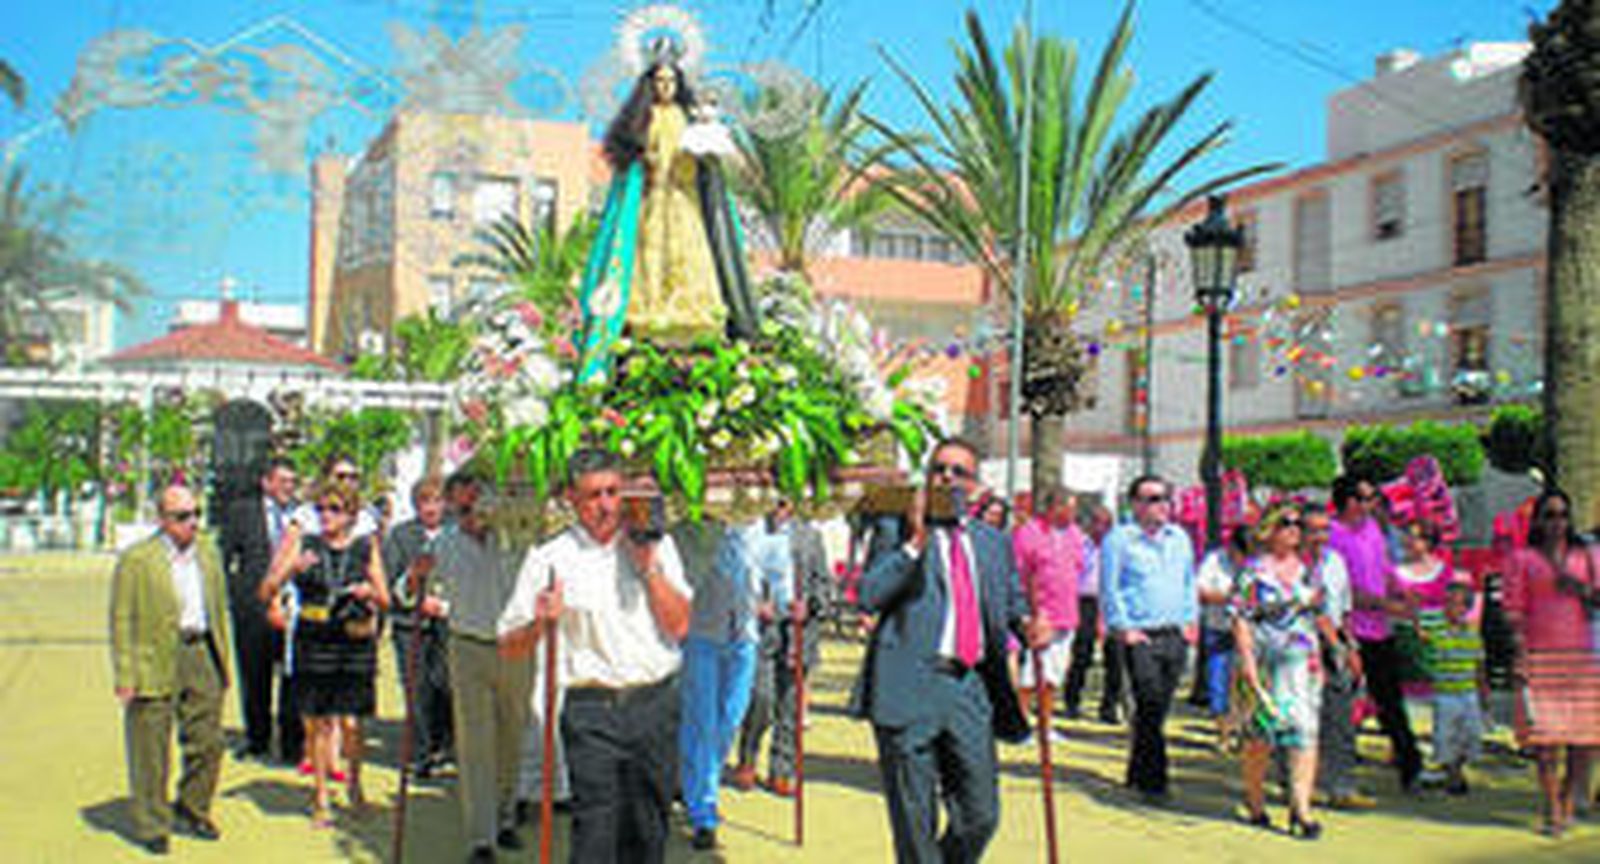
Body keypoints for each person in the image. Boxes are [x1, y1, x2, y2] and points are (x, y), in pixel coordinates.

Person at [849, 436, 1048, 863]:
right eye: (938, 469)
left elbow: (1011, 602)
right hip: (907, 686)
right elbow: (868, 594)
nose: (947, 478)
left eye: (959, 472)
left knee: (980, 815)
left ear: (974, 486)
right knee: (914, 820)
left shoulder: (993, 542)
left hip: (969, 687)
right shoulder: (897, 528)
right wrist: (914, 544)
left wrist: (1029, 624)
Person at [498, 448, 692, 864]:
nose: (606, 505)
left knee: (648, 830)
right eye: (593, 495)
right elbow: (509, 645)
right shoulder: (550, 557)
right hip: (591, 710)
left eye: (612, 492)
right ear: (571, 498)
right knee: (595, 834)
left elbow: (680, 625)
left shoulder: (656, 543)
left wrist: (649, 568)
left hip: (655, 704)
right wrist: (540, 622)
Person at [577, 47, 758, 380]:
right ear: (650, 84)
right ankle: (649, 318)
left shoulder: (688, 119)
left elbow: (711, 164)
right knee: (651, 259)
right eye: (659, 81)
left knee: (689, 255)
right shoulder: (642, 120)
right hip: (653, 201)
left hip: (685, 201)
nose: (665, 87)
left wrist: (708, 148)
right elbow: (630, 166)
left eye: (671, 81)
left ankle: (691, 319)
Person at [110, 485, 231, 854]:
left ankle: (193, 808)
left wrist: (222, 661)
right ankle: (153, 823)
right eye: (182, 516)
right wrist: (125, 675)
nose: (192, 522)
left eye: (196, 514)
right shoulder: (137, 560)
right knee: (150, 747)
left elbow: (218, 607)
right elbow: (121, 618)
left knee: (208, 742)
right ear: (162, 519)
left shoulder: (208, 553)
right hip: (154, 656)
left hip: (201, 652)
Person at [259, 482, 388, 828]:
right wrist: (291, 570)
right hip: (314, 638)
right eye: (321, 509)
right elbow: (266, 589)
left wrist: (368, 592)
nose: (326, 516)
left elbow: (386, 598)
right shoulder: (305, 543)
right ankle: (319, 795)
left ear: (352, 515)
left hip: (352, 640)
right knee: (318, 722)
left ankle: (355, 786)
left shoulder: (365, 547)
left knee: (353, 722)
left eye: (335, 509)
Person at [429, 472, 531, 862]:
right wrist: (417, 582)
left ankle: (505, 818)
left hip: (515, 647)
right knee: (475, 745)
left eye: (478, 503)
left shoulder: (514, 539)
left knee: (512, 738)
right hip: (467, 646)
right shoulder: (444, 543)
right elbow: (409, 589)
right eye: (463, 507)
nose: (472, 514)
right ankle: (481, 837)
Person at [677, 511, 790, 849]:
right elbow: (687, 572)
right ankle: (703, 809)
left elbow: (779, 571)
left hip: (743, 638)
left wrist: (785, 602)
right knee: (702, 722)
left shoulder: (758, 527)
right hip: (702, 634)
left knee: (731, 719)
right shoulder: (692, 525)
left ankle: (697, 781)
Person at [1501, 488, 1600, 837]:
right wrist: (1519, 653)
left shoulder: (1586, 556)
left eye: (1562, 515)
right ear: (1538, 521)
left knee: (1582, 741)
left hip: (1579, 656)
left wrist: (1579, 589)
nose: (1557, 522)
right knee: (1545, 742)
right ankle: (1553, 806)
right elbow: (1513, 609)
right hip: (1540, 656)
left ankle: (1569, 800)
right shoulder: (1522, 559)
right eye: (1549, 515)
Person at [1101, 474, 1197, 803]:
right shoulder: (1119, 540)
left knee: (1157, 710)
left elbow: (1188, 581)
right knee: (1149, 702)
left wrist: (1190, 620)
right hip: (1140, 634)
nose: (1162, 505)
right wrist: (1123, 628)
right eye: (1154, 498)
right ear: (1136, 504)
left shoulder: (1179, 538)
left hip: (1174, 632)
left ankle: (1137, 770)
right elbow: (1110, 587)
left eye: (1166, 497)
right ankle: (1156, 781)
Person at [1231, 503, 1325, 839]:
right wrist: (1247, 664)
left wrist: (1324, 654)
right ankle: (1255, 800)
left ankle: (1301, 808)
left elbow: (1316, 613)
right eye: (1286, 523)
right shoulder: (1253, 573)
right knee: (1261, 737)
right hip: (1265, 663)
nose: (1295, 529)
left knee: (1305, 733)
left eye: (1299, 524)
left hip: (1301, 664)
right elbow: (1240, 618)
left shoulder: (1308, 570)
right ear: (1269, 529)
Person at [1328, 474, 1422, 793]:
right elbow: (1341, 591)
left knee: (1391, 701)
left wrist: (1402, 591)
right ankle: (1336, 775)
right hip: (1349, 632)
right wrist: (1385, 604)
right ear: (1349, 501)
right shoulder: (1332, 536)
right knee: (1341, 706)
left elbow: (1384, 567)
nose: (1372, 505)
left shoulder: (1371, 529)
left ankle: (1411, 766)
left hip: (1379, 631)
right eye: (1366, 498)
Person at [735, 501, 832, 797]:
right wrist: (753, 604)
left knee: (789, 707)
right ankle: (748, 756)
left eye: (785, 500)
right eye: (775, 500)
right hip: (761, 631)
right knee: (761, 699)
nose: (780, 506)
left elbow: (824, 587)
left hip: (798, 634)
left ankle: (781, 769)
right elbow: (736, 580)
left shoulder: (810, 536)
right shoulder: (752, 532)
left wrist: (810, 606)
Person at [220, 456, 302, 765]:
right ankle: (257, 739)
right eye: (283, 481)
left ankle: (292, 743)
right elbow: (224, 556)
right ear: (266, 482)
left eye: (292, 482)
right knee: (255, 675)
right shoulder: (242, 513)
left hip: (293, 605)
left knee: (292, 676)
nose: (288, 487)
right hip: (253, 608)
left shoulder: (301, 515)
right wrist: (238, 595)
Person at [1302, 504, 1373, 810]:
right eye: (1312, 530)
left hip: (1334, 644)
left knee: (1340, 717)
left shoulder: (1335, 562)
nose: (1319, 537)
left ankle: (1341, 785)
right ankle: (1302, 783)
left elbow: (1343, 609)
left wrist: (1351, 647)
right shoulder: (1291, 566)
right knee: (1304, 721)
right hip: (1300, 646)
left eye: (1324, 530)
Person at [384, 475, 454, 779]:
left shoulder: (456, 532)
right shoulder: (401, 536)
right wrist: (416, 599)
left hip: (447, 621)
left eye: (437, 501)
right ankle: (420, 752)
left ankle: (445, 745)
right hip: (409, 623)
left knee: (445, 683)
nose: (431, 508)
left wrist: (445, 605)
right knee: (416, 686)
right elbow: (390, 579)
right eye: (425, 502)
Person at [1011, 485, 1083, 736]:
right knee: (1031, 676)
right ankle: (1020, 724)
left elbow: (1077, 568)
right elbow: (1018, 573)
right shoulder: (1029, 533)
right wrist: (1028, 614)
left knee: (1053, 677)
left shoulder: (1075, 534)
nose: (1073, 514)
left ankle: (1045, 724)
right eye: (1069, 508)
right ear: (1054, 508)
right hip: (1039, 614)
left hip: (1066, 613)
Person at [1418, 581, 1489, 796]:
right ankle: (1452, 775)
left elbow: (1479, 665)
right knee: (1446, 735)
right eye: (1448, 603)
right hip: (1445, 693)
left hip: (1468, 692)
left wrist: (1483, 692)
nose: (1452, 609)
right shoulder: (1436, 629)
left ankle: (1456, 768)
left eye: (1458, 605)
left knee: (1470, 735)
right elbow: (1418, 630)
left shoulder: (1472, 634)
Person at [1063, 502, 1124, 724]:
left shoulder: (1118, 548)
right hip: (1085, 601)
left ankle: (1109, 706)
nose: (1101, 528)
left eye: (1106, 524)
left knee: (1115, 657)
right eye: (1097, 522)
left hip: (1111, 601)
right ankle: (1072, 700)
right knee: (1082, 654)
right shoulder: (1080, 544)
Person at [1392, 519, 1457, 703]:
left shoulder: (1444, 571)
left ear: (1428, 542)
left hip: (1439, 637)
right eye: (1408, 537)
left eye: (1415, 537)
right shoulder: (1396, 573)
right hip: (1408, 641)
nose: (1409, 541)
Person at [1196, 528, 1251, 741]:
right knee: (1218, 681)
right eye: (1240, 554)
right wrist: (1226, 598)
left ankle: (1242, 727)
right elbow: (1199, 591)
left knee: (1245, 681)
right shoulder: (1214, 561)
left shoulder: (1255, 564)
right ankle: (1223, 731)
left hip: (1248, 633)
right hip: (1219, 628)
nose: (1242, 560)